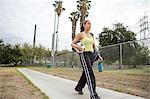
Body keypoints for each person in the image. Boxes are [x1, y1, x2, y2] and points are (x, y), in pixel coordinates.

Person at [71, 20, 102, 99]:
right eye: (88, 24)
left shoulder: (91, 35)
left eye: (90, 24)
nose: (89, 25)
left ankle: (79, 87)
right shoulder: (81, 34)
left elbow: (94, 46)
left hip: (91, 55)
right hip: (84, 54)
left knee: (86, 73)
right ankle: (93, 95)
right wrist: (78, 47)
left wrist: (98, 55)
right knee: (90, 73)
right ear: (84, 25)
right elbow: (72, 43)